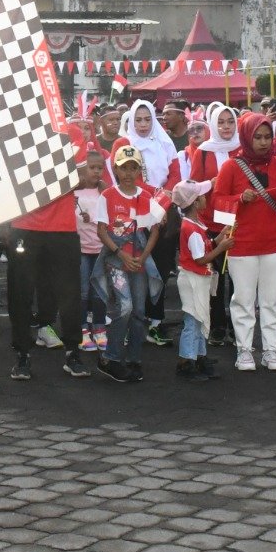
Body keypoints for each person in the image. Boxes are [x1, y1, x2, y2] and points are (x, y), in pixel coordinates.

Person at [215, 111, 276, 371]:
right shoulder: (231, 167)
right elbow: (217, 207)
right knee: (243, 300)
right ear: (246, 137)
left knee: (272, 300)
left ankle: (271, 350)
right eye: (258, 137)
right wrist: (240, 199)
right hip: (242, 245)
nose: (264, 142)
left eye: (267, 137)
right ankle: (244, 350)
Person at [7, 123, 90, 381]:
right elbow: (8, 180)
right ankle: (22, 354)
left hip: (62, 228)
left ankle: (72, 352)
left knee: (69, 293)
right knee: (20, 294)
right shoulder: (15, 129)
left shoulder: (71, 131)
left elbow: (84, 178)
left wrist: (42, 178)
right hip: (24, 226)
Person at [96, 144, 164, 383]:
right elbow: (101, 230)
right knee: (124, 307)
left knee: (139, 312)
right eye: (123, 168)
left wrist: (143, 258)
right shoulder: (107, 196)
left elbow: (155, 230)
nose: (128, 173)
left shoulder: (145, 197)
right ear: (115, 169)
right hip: (116, 261)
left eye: (133, 168)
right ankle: (111, 358)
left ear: (139, 171)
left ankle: (134, 359)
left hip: (139, 262)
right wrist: (120, 253)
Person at [116, 100, 179, 344]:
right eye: (138, 119)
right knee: (134, 268)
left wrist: (164, 199)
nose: (143, 124)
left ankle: (155, 322)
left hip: (164, 212)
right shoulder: (124, 143)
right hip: (134, 212)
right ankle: (130, 324)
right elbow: (127, 178)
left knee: (160, 269)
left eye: (147, 119)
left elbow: (175, 173)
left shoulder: (164, 142)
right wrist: (156, 196)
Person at [190, 103, 240, 345]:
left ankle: (238, 326)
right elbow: (192, 187)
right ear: (212, 124)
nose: (226, 127)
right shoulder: (203, 151)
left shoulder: (242, 148)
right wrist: (210, 183)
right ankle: (218, 325)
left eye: (230, 122)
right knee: (215, 278)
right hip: (212, 221)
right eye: (220, 122)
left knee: (239, 278)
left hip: (239, 220)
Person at [173, 179, 232, 381]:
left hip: (196, 278)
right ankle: (186, 362)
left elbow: (205, 247)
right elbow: (200, 259)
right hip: (193, 278)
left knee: (198, 319)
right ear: (195, 202)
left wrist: (219, 237)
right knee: (193, 321)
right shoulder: (192, 228)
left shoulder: (194, 224)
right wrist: (221, 248)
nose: (206, 197)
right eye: (202, 196)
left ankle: (197, 357)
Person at [74, 150, 110, 352]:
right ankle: (82, 330)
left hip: (100, 249)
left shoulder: (104, 193)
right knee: (83, 292)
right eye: (92, 167)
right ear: (81, 169)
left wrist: (93, 219)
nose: (97, 171)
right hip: (80, 250)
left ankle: (99, 328)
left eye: (100, 168)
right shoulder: (73, 193)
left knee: (99, 291)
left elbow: (110, 219)